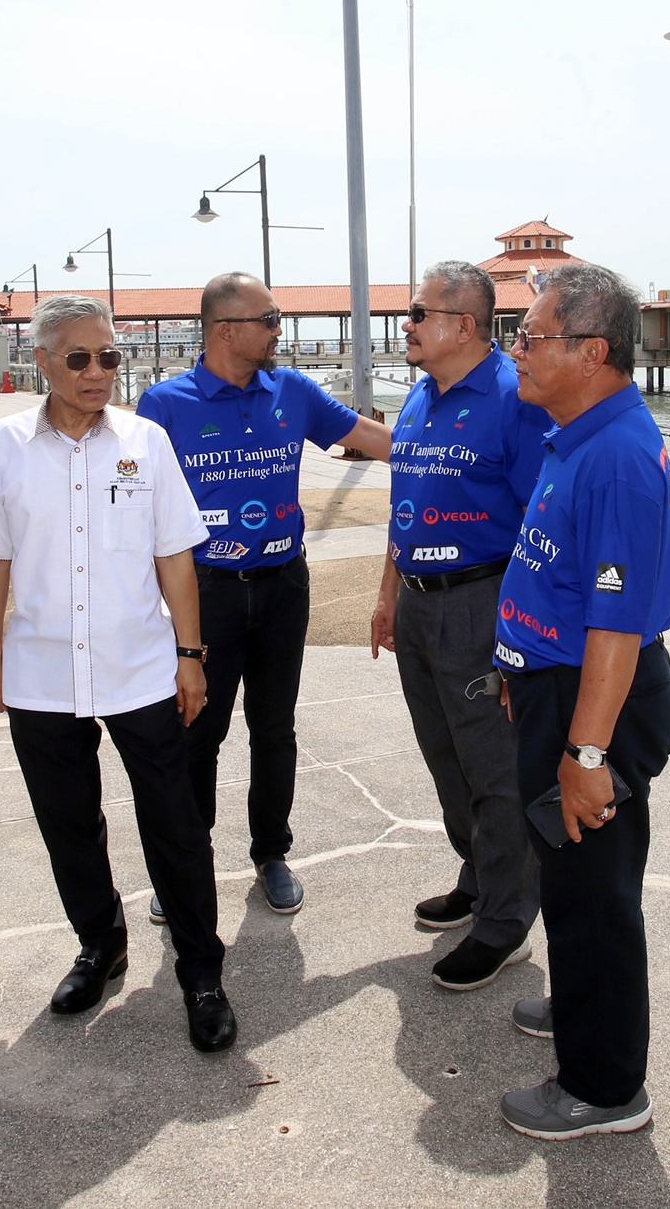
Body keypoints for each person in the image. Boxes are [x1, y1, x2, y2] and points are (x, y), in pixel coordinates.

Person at [0, 294, 236, 1053]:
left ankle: (201, 973)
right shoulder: (2, 447)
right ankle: (99, 945)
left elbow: (176, 554)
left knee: (176, 826)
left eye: (108, 357)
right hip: (41, 675)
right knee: (69, 824)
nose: (96, 371)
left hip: (142, 670)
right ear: (40, 361)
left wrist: (190, 655)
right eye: (78, 357)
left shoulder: (145, 441)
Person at [491, 263, 670, 1140]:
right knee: (571, 878)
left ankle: (605, 1089)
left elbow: (613, 626)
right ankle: (580, 1001)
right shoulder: (573, 431)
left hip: (594, 699)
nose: (516, 352)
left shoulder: (614, 459)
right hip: (555, 686)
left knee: (594, 892)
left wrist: (587, 755)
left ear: (591, 351)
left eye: (531, 338)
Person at [136, 273, 392, 917]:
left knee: (274, 729)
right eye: (270, 320)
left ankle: (271, 853)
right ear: (226, 330)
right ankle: (189, 863)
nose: (280, 331)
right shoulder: (164, 405)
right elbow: (136, 508)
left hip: (283, 585)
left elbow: (371, 439)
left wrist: (460, 458)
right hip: (205, 594)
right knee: (198, 730)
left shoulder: (293, 391)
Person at [370, 261, 551, 991]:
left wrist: (519, 640)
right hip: (418, 603)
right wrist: (388, 596)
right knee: (445, 755)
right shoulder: (419, 396)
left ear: (464, 325)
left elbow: (543, 524)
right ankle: (479, 876)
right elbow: (401, 502)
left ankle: (506, 920)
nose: (406, 324)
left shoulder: (516, 399)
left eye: (418, 312)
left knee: (495, 767)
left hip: (481, 600)